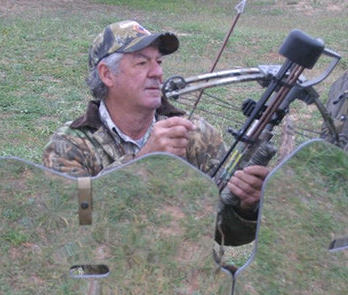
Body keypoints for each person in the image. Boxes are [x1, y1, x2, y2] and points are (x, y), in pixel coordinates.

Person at [43, 20, 268, 246]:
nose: (158, 73)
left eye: (158, 62)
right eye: (142, 63)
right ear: (107, 74)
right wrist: (143, 162)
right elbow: (74, 224)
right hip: (106, 276)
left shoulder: (193, 133)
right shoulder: (71, 144)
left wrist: (245, 207)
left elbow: (223, 231)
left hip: (184, 275)